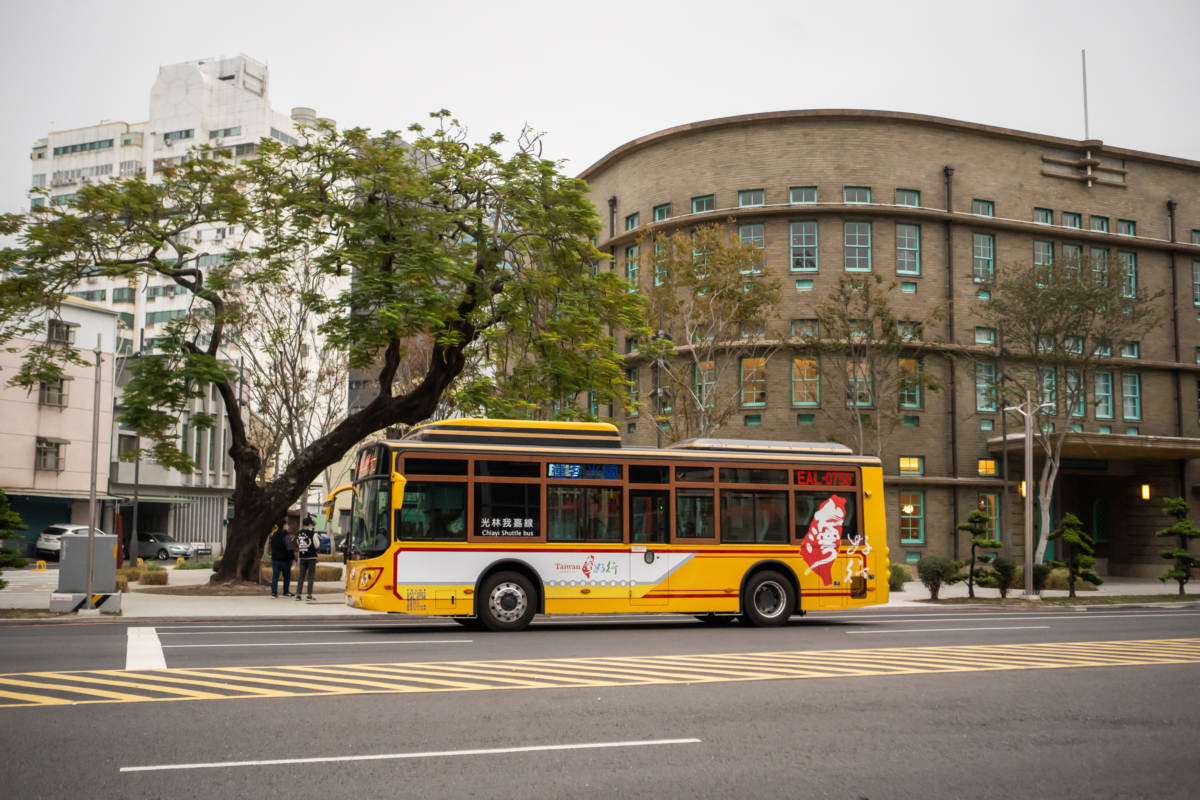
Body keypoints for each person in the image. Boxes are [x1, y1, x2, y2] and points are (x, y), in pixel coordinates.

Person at [294, 517, 320, 601]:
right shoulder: (312, 533)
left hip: (302, 556)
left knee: (301, 575)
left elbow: (297, 543)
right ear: (309, 524)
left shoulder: (298, 533)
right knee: (311, 576)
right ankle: (309, 595)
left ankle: (298, 594)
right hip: (311, 556)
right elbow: (317, 544)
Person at [269, 520, 295, 598]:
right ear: (284, 526)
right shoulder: (286, 535)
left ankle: (274, 593)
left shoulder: (274, 535)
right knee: (286, 576)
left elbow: (272, 547)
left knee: (275, 576)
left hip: (275, 559)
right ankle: (286, 591)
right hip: (285, 560)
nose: (287, 526)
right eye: (286, 525)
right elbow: (289, 547)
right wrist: (292, 558)